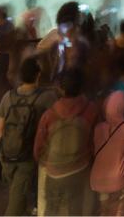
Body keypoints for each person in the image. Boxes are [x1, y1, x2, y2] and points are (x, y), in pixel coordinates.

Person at [34, 67, 98, 216]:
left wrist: (44, 161)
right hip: (79, 168)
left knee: (52, 208)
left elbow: (38, 147)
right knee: (75, 209)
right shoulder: (91, 109)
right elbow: (95, 142)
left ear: (61, 89)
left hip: (54, 169)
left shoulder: (49, 115)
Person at [89, 90, 124, 217]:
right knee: (119, 207)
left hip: (97, 180)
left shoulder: (98, 128)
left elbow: (96, 152)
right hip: (118, 181)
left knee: (105, 210)